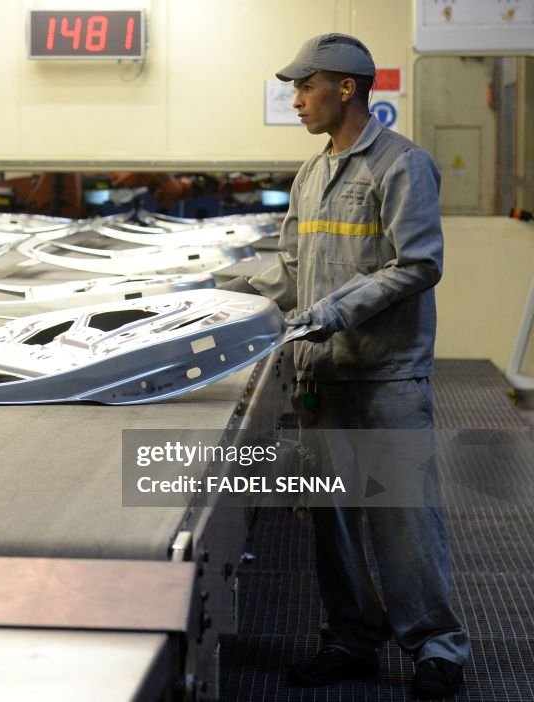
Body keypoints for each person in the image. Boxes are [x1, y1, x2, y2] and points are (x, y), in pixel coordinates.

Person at [219, 33, 470, 699]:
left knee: (403, 525)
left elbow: (419, 264)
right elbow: (293, 271)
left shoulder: (400, 165)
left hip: (383, 375)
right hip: (319, 377)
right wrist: (221, 298)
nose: (296, 99)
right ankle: (351, 639)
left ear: (348, 88)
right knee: (329, 522)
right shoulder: (312, 172)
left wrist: (333, 311)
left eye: (306, 87)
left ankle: (436, 648)